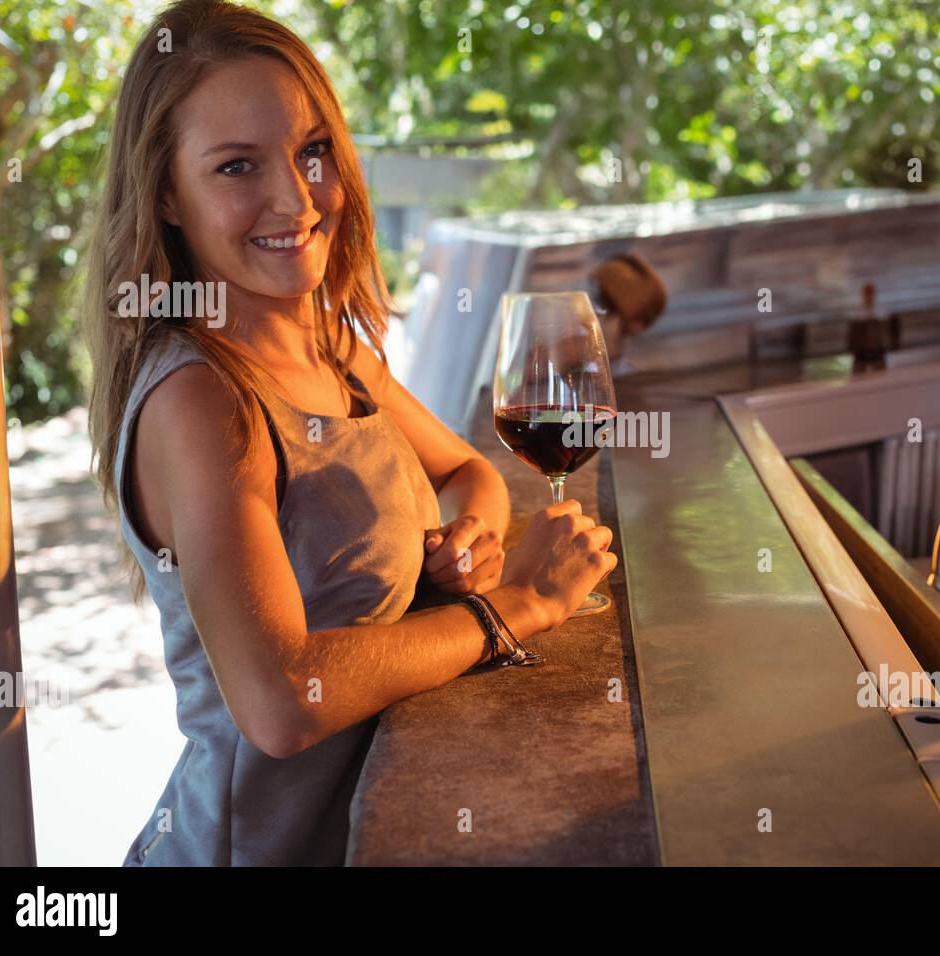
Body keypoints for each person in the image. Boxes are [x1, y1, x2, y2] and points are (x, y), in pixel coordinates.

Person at [80, 0, 617, 866]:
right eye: (236, 166)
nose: (294, 196)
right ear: (166, 196)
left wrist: (465, 542)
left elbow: (467, 471)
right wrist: (517, 607)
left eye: (312, 151)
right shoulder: (202, 400)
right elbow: (282, 701)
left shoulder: (330, 347)